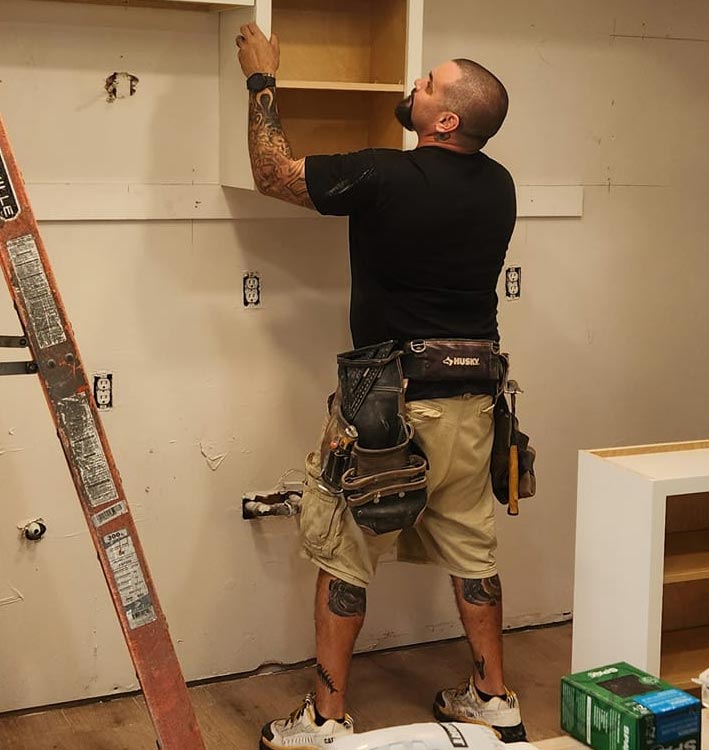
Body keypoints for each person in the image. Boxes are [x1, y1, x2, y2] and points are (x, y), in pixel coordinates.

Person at [236, 22, 524, 750]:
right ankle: (493, 700)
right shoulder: (499, 184)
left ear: (447, 119)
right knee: (472, 551)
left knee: (344, 550)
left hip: (392, 408)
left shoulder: (385, 175)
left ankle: (326, 720)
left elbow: (273, 173)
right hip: (475, 402)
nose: (413, 85)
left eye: (426, 83)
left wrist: (262, 79)